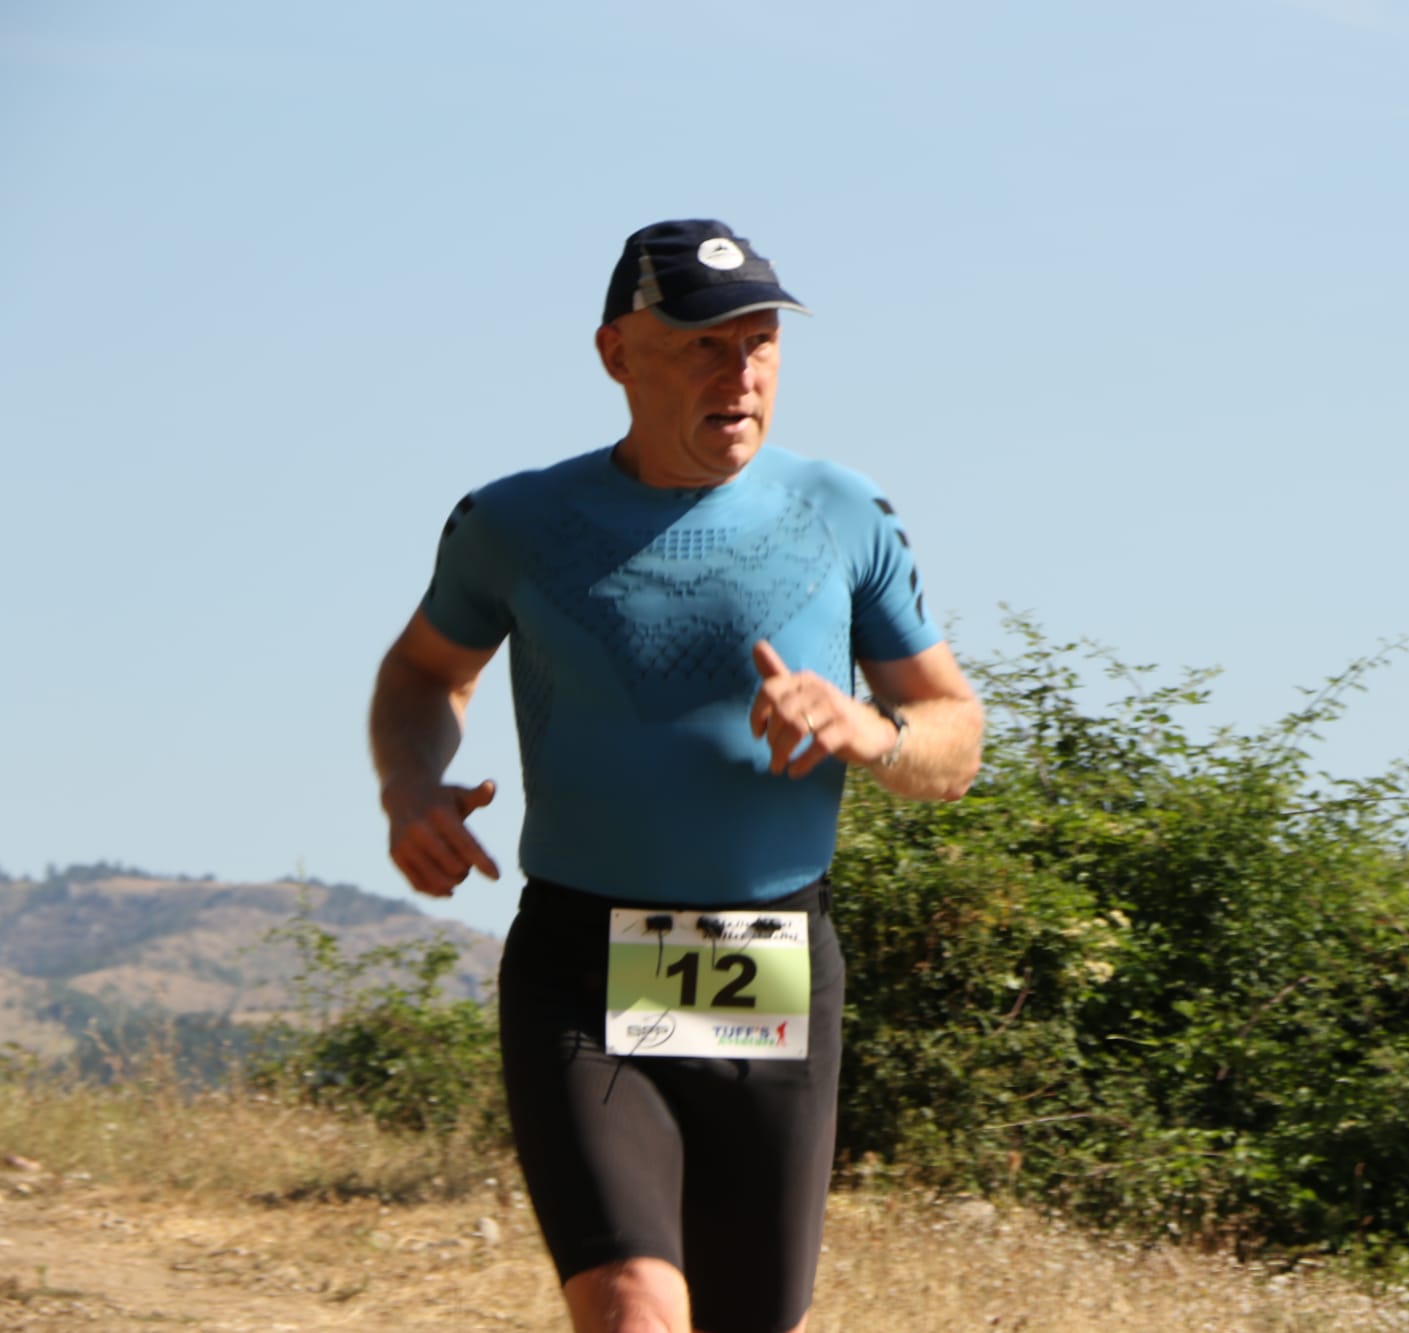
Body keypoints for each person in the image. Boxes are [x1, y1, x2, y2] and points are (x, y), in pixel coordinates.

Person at [367, 219, 983, 1333]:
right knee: (635, 1308)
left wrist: (869, 729)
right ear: (614, 354)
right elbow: (421, 675)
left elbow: (953, 731)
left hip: (772, 964)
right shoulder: (514, 522)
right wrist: (410, 785)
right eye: (701, 343)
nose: (738, 371)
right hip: (584, 970)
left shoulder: (841, 513)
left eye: (757, 343)